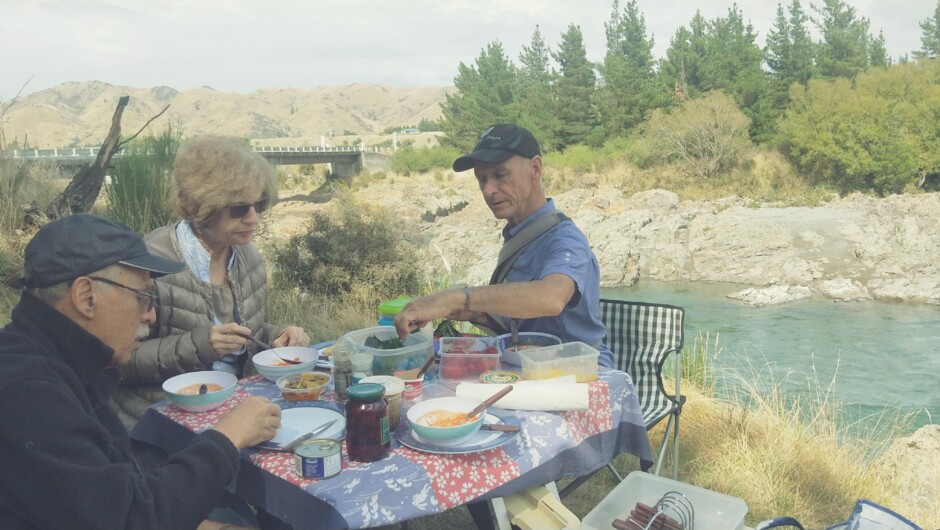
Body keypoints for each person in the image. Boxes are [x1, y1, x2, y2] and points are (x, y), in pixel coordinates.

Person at [0, 214, 282, 529]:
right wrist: (228, 437)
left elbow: (103, 499)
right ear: (86, 297)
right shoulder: (28, 393)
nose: (150, 315)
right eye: (142, 296)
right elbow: (130, 520)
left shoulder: (62, 363)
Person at [112, 135, 310, 429]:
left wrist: (274, 337)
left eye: (260, 204)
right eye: (239, 209)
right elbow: (120, 359)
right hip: (159, 422)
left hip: (231, 413)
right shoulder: (151, 263)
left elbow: (239, 333)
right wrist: (200, 345)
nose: (254, 218)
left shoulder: (248, 257)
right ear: (200, 205)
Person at [393, 123, 614, 368]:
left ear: (536, 169)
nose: (488, 190)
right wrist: (478, 314)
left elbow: (552, 297)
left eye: (500, 175)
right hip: (531, 368)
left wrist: (458, 297)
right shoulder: (519, 233)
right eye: (482, 179)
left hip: (580, 375)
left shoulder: (564, 239)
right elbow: (530, 327)